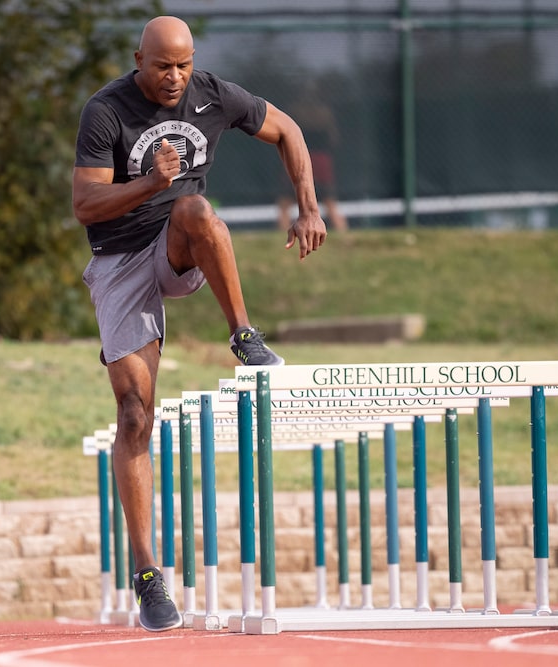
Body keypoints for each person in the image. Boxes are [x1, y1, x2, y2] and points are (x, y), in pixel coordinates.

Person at [71, 16, 327, 631]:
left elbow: (287, 129)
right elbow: (85, 204)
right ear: (140, 60)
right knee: (135, 412)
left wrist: (307, 206)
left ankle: (242, 333)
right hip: (120, 261)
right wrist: (147, 181)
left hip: (177, 246)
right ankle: (149, 575)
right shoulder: (106, 111)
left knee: (197, 209)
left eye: (183, 66)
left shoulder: (214, 93)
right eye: (162, 66)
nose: (174, 78)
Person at [277, 83, 348, 233]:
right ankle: (343, 234)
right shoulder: (326, 113)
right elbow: (334, 138)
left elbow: (285, 135)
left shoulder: (294, 112)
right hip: (322, 159)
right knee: (329, 201)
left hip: (298, 158)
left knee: (285, 202)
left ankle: (282, 237)